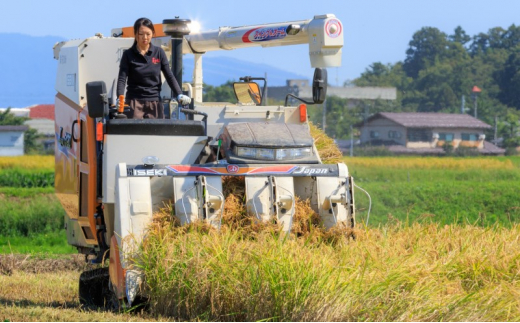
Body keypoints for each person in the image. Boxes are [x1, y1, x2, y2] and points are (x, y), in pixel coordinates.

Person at [117, 17, 191, 119]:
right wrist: (119, 97)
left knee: (158, 133)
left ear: (152, 33)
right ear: (135, 34)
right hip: (134, 103)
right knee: (134, 133)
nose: (145, 37)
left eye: (148, 34)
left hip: (155, 102)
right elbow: (122, 78)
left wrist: (179, 94)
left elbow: (169, 76)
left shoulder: (159, 53)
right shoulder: (128, 54)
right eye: (141, 34)